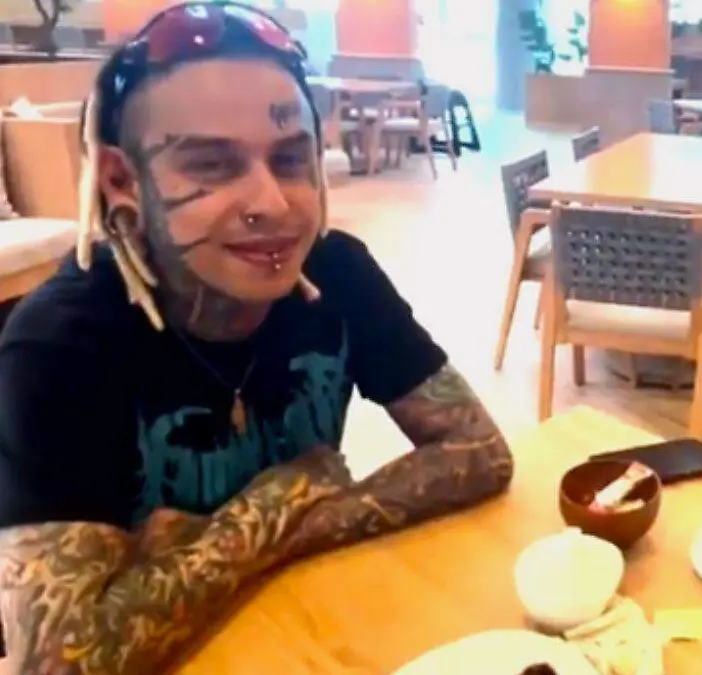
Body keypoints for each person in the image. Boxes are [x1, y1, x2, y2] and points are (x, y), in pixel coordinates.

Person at [0, 3, 513, 673]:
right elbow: (58, 662)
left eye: (291, 158)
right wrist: (278, 500)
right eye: (212, 165)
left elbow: (480, 452)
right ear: (123, 182)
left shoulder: (334, 273)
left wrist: (231, 542)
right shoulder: (59, 345)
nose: (272, 203)